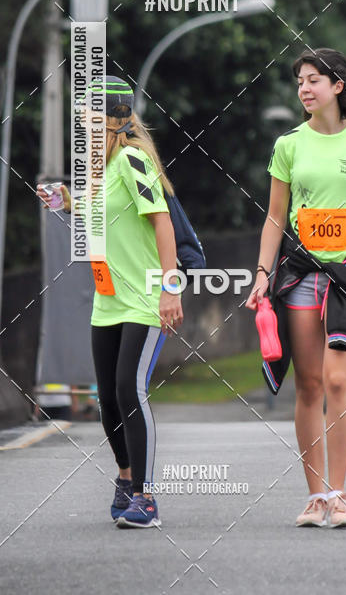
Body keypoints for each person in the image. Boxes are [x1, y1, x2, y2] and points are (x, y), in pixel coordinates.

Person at [245, 48, 346, 528]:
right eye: (300, 82)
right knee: (308, 385)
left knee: (336, 380)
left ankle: (341, 495)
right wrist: (262, 273)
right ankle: (316, 497)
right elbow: (273, 216)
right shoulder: (288, 144)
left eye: (314, 80)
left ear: (338, 86)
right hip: (299, 275)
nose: (305, 89)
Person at [37, 76, 183, 529]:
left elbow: (162, 222)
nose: (88, 133)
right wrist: (66, 201)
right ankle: (124, 478)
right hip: (108, 300)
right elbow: (98, 211)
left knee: (128, 391)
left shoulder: (135, 161)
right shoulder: (102, 171)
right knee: (108, 403)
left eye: (95, 124)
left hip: (142, 299)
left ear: (119, 123)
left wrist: (170, 287)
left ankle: (146, 497)